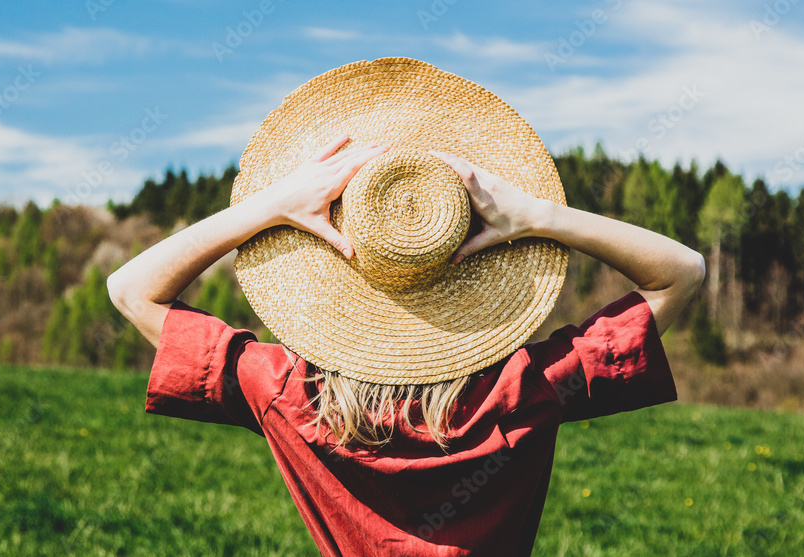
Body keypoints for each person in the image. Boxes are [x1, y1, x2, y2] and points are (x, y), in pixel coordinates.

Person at [107, 60, 705, 556]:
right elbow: (681, 275)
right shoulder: (527, 389)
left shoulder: (292, 396)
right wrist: (538, 217)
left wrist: (272, 205)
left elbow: (132, 290)